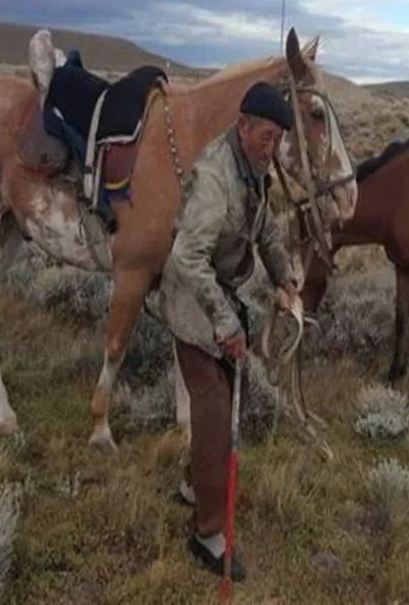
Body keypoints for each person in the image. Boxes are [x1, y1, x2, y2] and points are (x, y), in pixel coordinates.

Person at [159, 80, 299, 581]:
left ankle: (195, 485)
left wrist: (284, 274)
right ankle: (209, 534)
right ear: (243, 126)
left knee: (229, 400)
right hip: (191, 300)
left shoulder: (254, 167)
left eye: (279, 137)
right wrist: (223, 322)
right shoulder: (216, 176)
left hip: (221, 296)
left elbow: (263, 228)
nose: (273, 145)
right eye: (266, 135)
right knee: (217, 409)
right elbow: (187, 258)